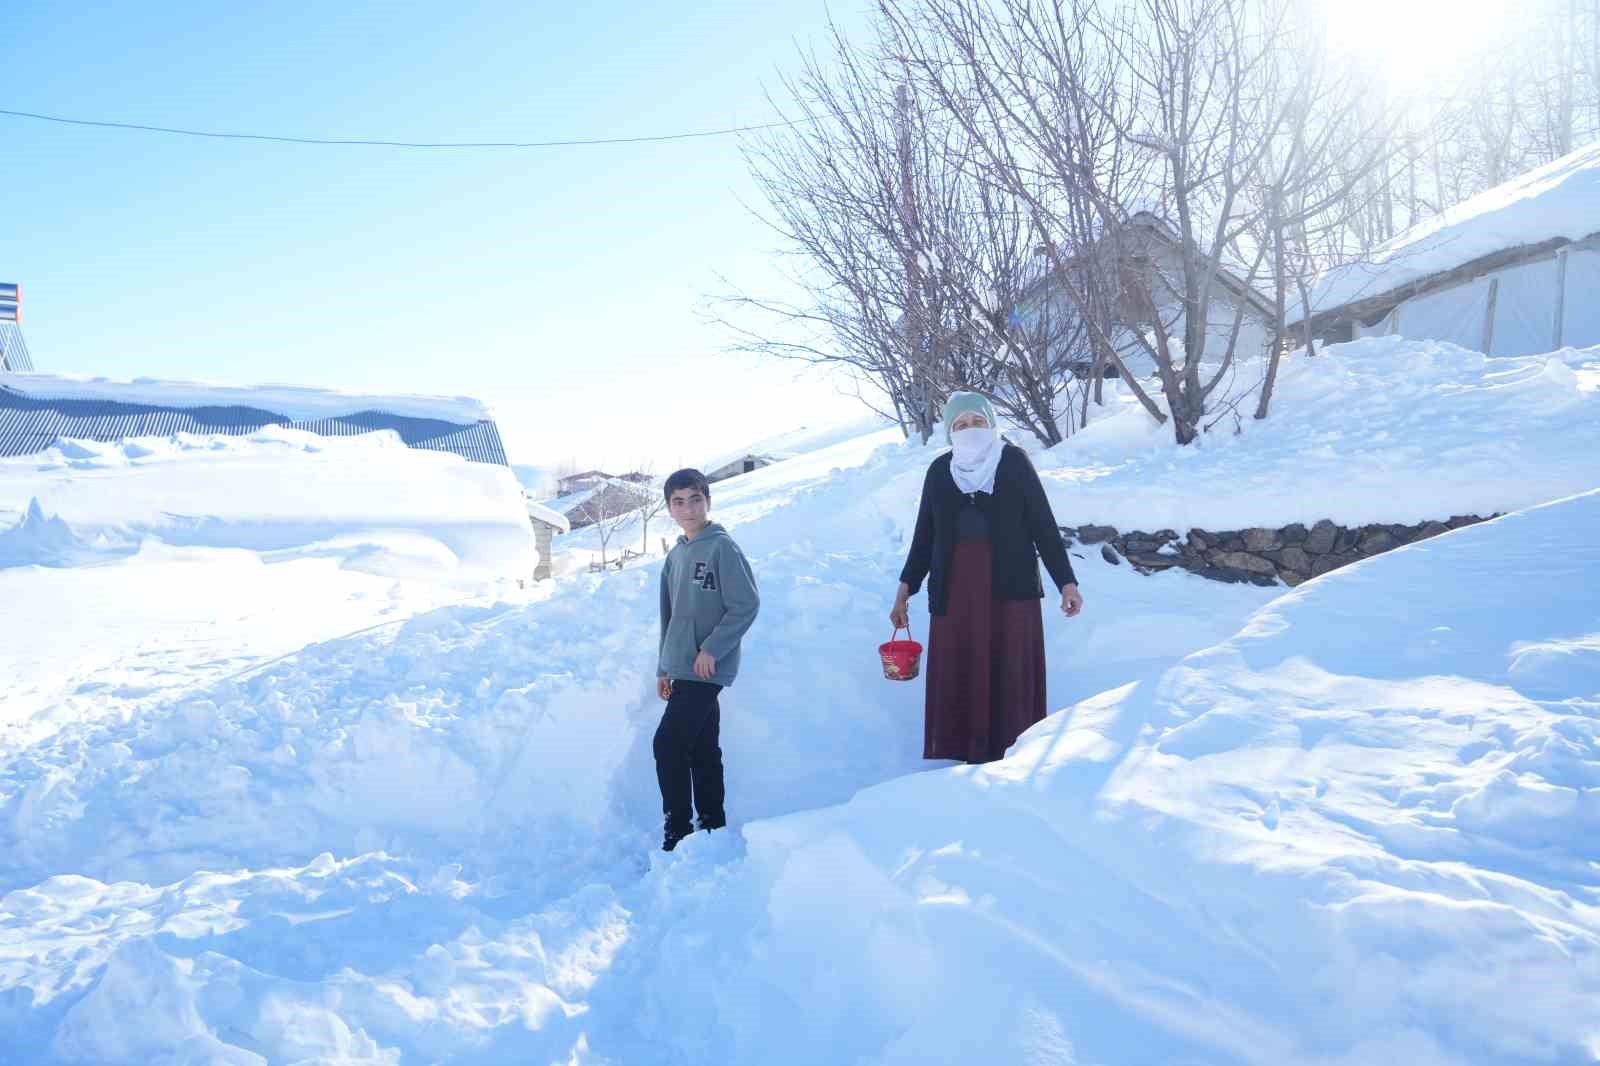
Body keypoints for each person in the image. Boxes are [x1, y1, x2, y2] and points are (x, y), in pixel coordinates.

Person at [891, 392, 1084, 764]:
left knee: (1008, 663)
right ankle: (962, 750)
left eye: (978, 422)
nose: (970, 430)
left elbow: (1042, 525)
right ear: (950, 432)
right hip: (955, 590)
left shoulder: (1012, 462)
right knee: (962, 662)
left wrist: (1066, 582)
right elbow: (924, 537)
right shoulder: (939, 471)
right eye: (960, 425)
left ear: (992, 424)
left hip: (1009, 588)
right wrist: (905, 590)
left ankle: (1013, 750)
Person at [655, 468, 760, 851]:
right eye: (678, 501)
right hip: (680, 667)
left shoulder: (722, 548)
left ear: (708, 501)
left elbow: (745, 604)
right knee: (701, 747)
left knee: (667, 744)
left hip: (707, 667)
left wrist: (712, 648)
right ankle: (713, 827)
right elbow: (668, 615)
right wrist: (663, 667)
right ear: (669, 508)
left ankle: (677, 835)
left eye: (695, 499)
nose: (688, 508)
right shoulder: (676, 555)